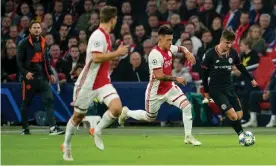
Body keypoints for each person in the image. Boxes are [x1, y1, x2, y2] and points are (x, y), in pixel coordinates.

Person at [61, 6, 129, 161]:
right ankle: (66, 145)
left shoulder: (106, 36)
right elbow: (96, 58)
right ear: (112, 19)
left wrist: (112, 59)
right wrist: (117, 53)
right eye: (116, 18)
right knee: (78, 117)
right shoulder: (98, 36)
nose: (116, 21)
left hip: (103, 82)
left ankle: (97, 130)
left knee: (117, 108)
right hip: (88, 83)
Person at [118, 25, 201, 146]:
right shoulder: (155, 55)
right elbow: (158, 75)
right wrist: (176, 78)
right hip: (155, 91)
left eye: (171, 39)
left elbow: (181, 48)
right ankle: (127, 112)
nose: (170, 42)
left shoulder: (169, 48)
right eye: (168, 40)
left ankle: (188, 136)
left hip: (170, 88)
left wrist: (187, 52)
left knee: (187, 106)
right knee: (149, 117)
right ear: (160, 39)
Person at [201, 29, 258, 138]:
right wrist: (206, 92)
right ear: (221, 40)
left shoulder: (233, 53)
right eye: (227, 42)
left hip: (229, 88)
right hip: (216, 89)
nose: (229, 45)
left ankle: (224, 117)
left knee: (238, 115)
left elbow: (240, 67)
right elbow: (204, 75)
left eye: (231, 42)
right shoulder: (210, 54)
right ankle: (242, 135)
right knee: (232, 115)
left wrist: (251, 79)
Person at [16, 21, 65, 135]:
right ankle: (24, 128)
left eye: (39, 27)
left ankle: (53, 128)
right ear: (30, 30)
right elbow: (19, 61)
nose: (37, 29)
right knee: (26, 103)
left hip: (42, 77)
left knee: (49, 101)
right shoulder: (23, 43)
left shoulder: (43, 42)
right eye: (35, 28)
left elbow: (46, 60)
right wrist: (25, 73)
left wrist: (50, 73)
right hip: (30, 78)